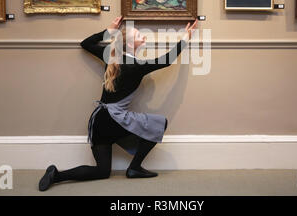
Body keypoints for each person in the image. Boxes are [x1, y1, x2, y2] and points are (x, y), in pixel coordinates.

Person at [38, 16, 198, 191]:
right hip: (114, 119)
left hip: (98, 121)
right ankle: (135, 168)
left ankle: (57, 175)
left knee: (102, 171)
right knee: (160, 124)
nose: (144, 38)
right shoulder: (135, 66)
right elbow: (167, 60)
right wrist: (184, 38)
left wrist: (109, 30)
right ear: (129, 44)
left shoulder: (110, 57)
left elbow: (86, 43)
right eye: (139, 36)